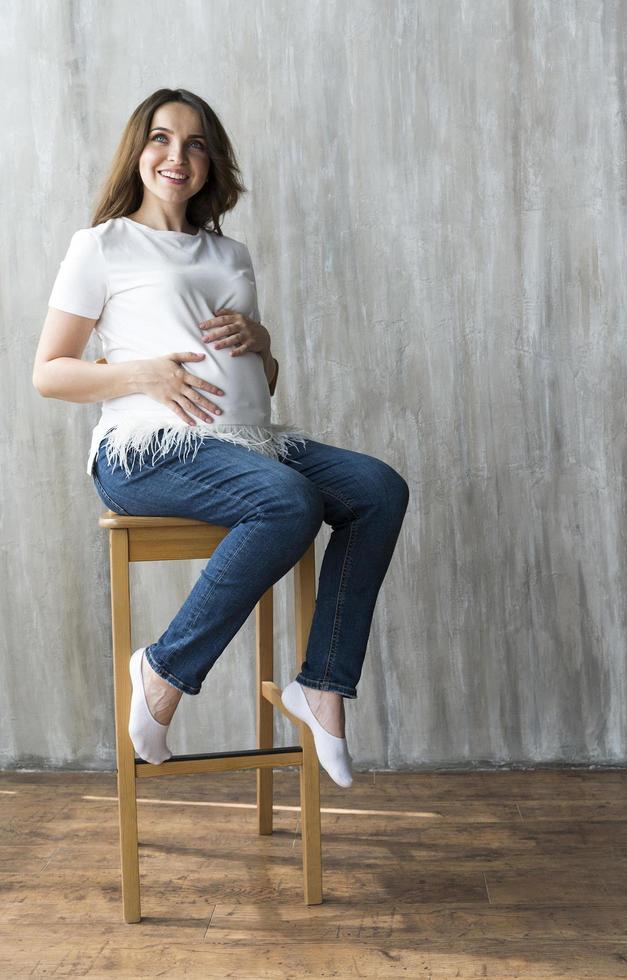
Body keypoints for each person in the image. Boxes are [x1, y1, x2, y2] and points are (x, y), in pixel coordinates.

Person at [33, 87, 409, 789]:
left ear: (212, 162)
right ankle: (165, 669)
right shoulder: (102, 245)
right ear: (137, 151)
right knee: (288, 502)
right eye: (161, 138)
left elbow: (258, 380)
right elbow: (48, 373)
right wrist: (140, 374)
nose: (177, 155)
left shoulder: (230, 254)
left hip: (245, 442)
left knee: (377, 489)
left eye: (195, 142)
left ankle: (321, 683)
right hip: (146, 453)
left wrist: (263, 343)